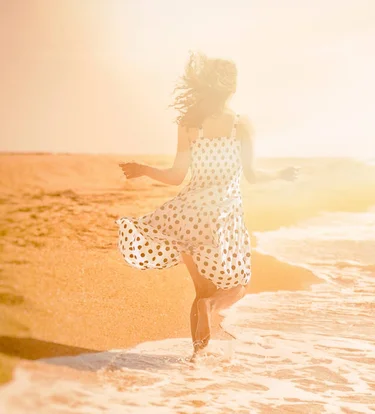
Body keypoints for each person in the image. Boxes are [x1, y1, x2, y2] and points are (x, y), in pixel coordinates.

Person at [116, 51, 298, 354]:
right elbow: (251, 175)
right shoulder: (240, 124)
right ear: (232, 88)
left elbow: (176, 176)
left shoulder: (190, 124)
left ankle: (197, 360)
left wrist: (143, 169)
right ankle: (210, 313)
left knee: (201, 289)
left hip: (186, 214)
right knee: (237, 284)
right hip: (222, 214)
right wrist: (281, 174)